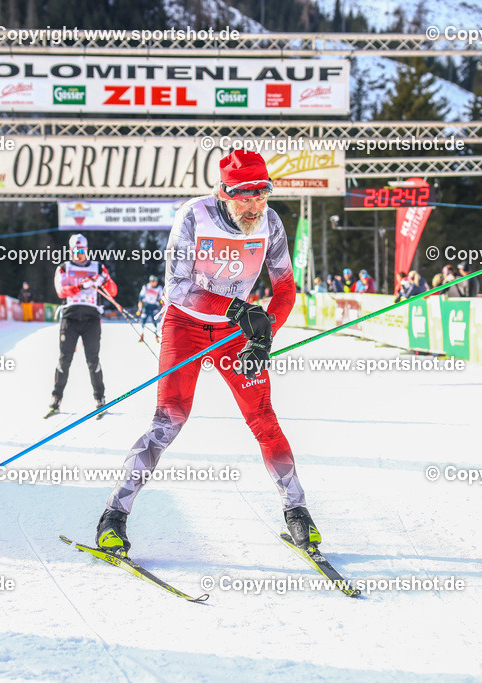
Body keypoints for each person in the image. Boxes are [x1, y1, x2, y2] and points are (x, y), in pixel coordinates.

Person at [95, 149, 321, 556]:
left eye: (262, 194)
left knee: (263, 419)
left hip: (235, 334)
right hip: (185, 325)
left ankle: (297, 510)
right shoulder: (194, 215)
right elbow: (177, 286)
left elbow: (285, 287)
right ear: (224, 192)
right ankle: (115, 515)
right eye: (244, 196)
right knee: (169, 422)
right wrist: (237, 309)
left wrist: (264, 335)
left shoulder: (270, 222)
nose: (254, 205)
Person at [48, 233, 117, 414]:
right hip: (70, 318)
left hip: (91, 319)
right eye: (75, 251)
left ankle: (99, 398)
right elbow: (61, 292)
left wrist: (105, 281)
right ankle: (56, 398)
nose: (78, 254)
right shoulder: (64, 267)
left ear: (87, 250)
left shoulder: (98, 267)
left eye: (82, 250)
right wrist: (80, 286)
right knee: (65, 359)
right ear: (70, 251)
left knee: (93, 360)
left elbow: (113, 291)